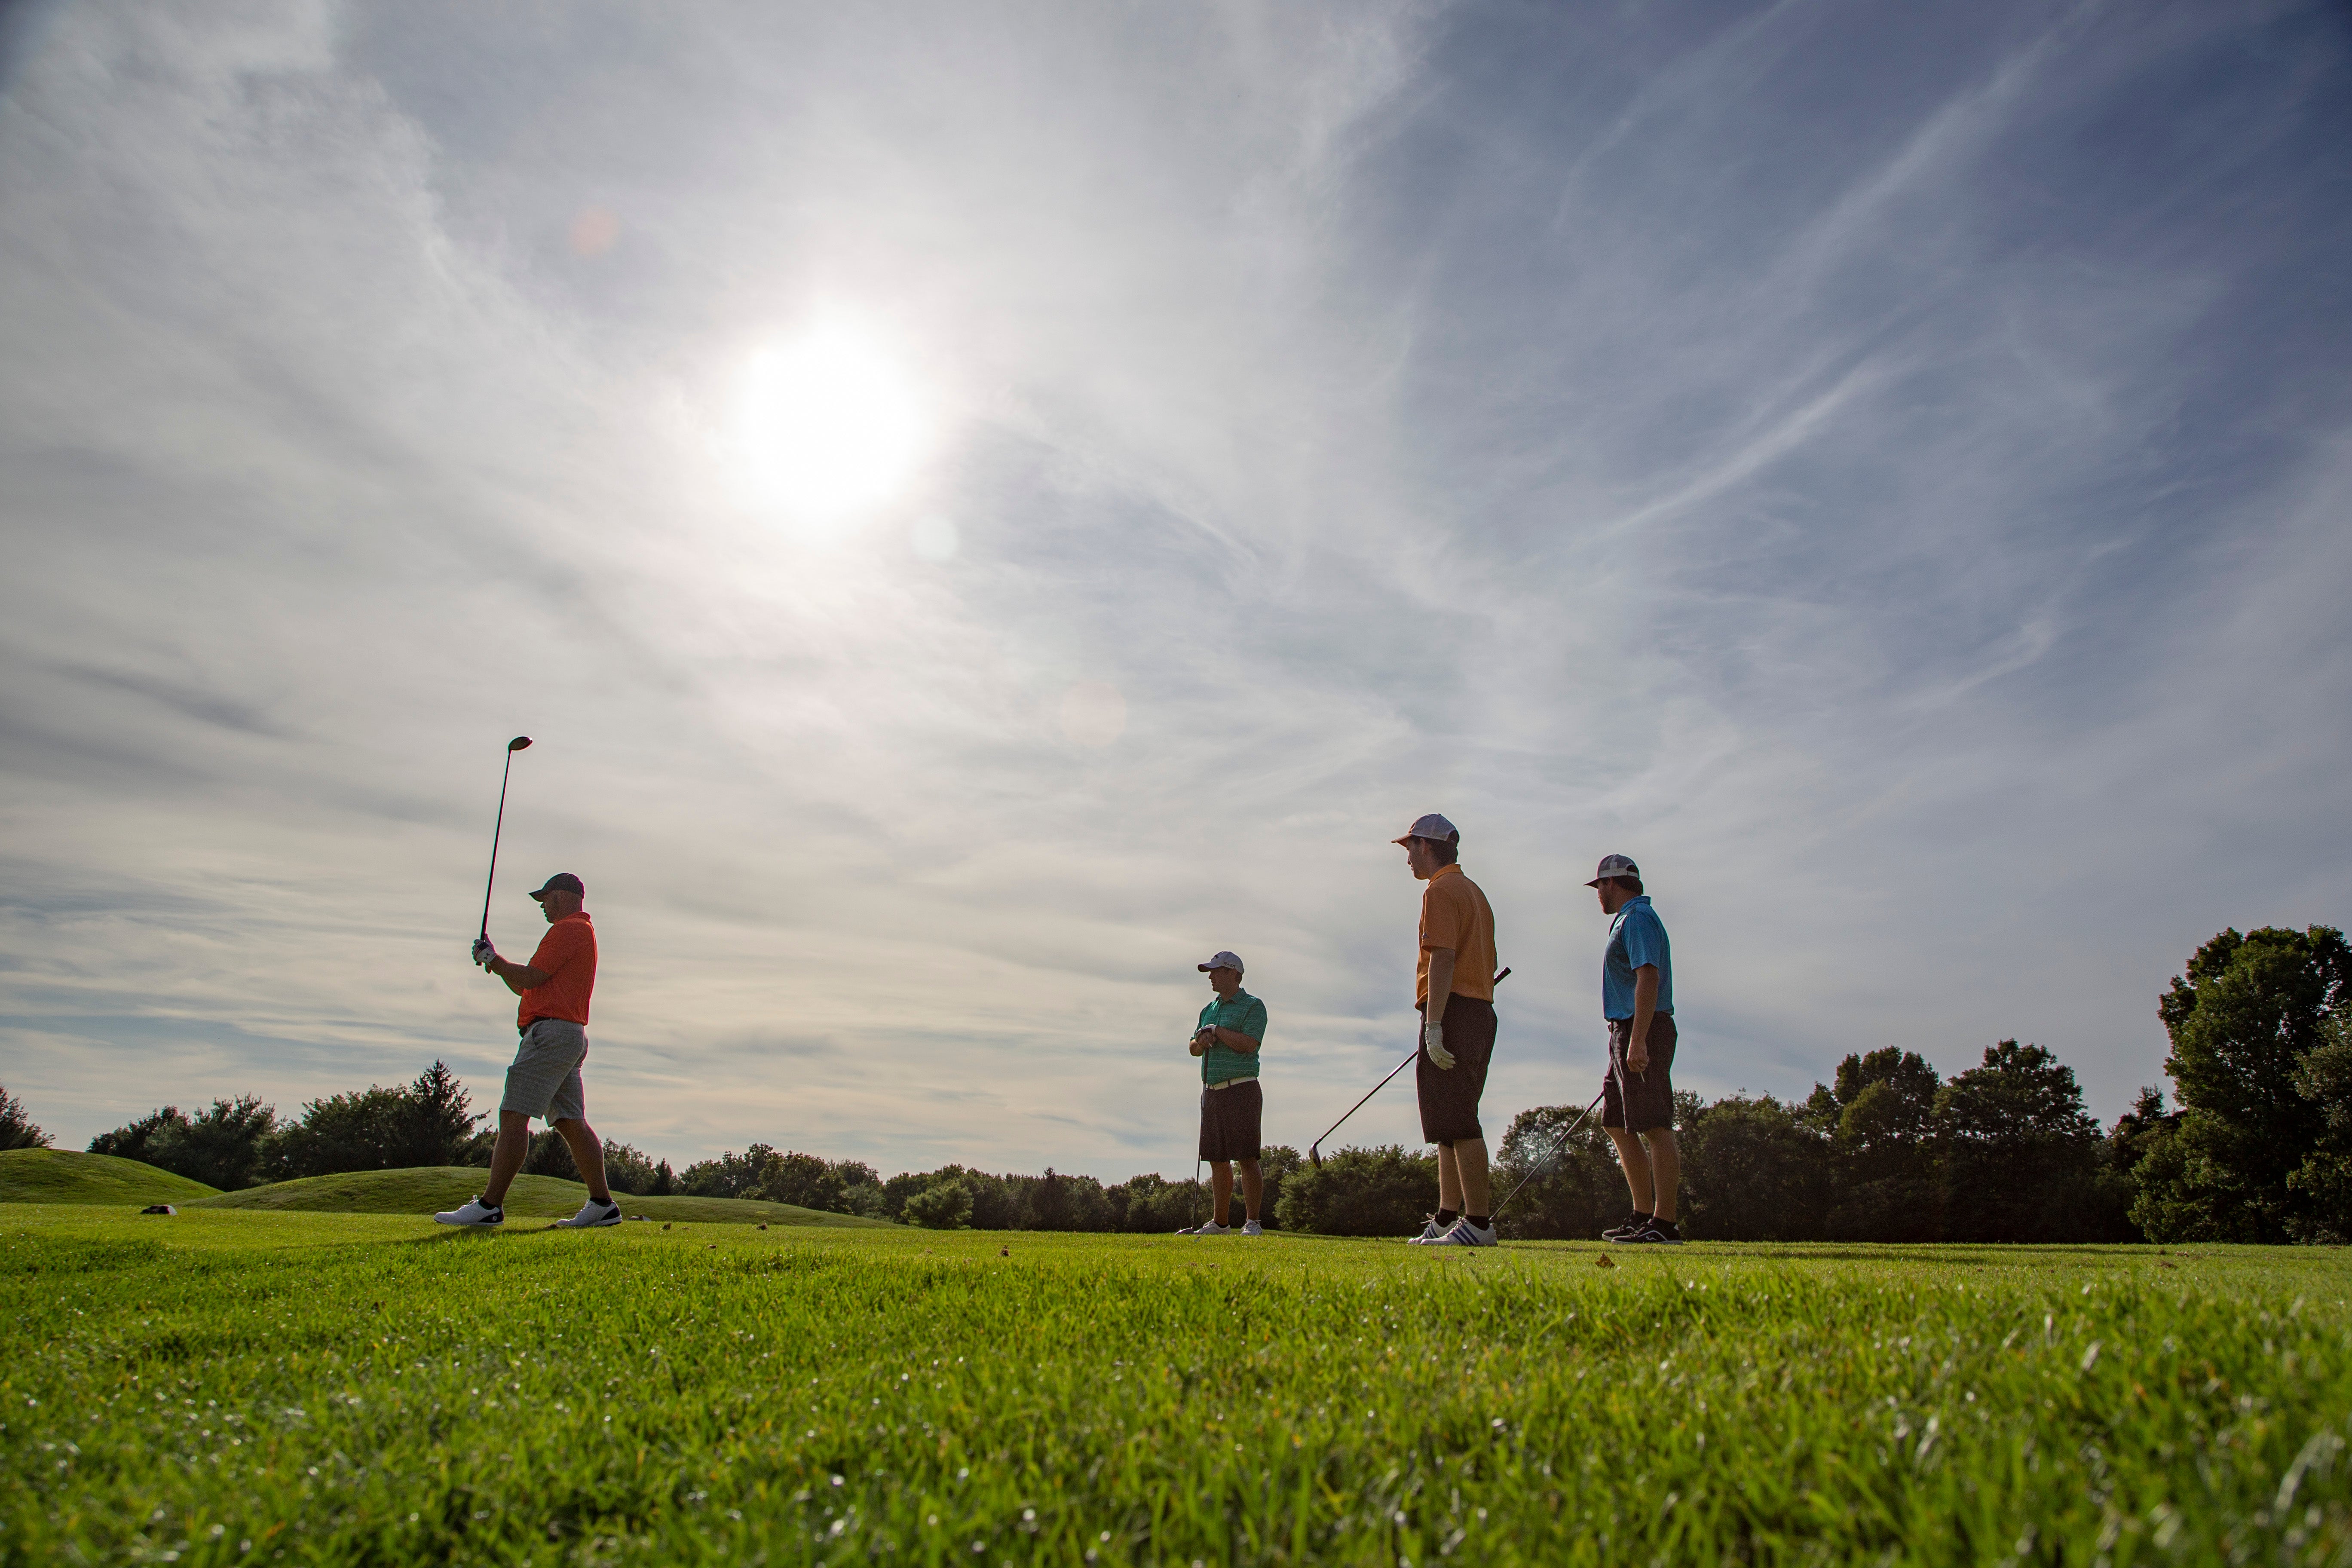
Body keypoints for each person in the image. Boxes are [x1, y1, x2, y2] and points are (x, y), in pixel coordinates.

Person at [436, 873, 620, 1230]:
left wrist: (496, 958)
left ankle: (490, 1206)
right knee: (571, 1122)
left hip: (550, 1034)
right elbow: (526, 988)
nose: (542, 906)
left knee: (514, 1114)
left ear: (563, 897)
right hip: (567, 1034)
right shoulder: (579, 931)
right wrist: (495, 962)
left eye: (545, 898)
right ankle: (603, 1205)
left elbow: (531, 977)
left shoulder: (568, 929)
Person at [1393, 815, 1501, 1247]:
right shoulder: (1474, 891)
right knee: (1446, 1122)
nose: (1408, 859)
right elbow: (1488, 960)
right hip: (1478, 1010)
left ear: (1426, 846)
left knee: (1458, 1120)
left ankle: (1477, 1223)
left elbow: (1442, 958)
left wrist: (1435, 1024)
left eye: (1410, 849)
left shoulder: (1439, 890)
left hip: (1453, 1011)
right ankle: (1447, 1217)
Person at [1589, 854, 1681, 1245]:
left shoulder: (1638, 918)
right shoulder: (1627, 919)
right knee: (1615, 1122)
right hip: (1624, 1030)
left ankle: (1665, 1224)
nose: (1597, 896)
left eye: (1599, 888)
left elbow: (1649, 978)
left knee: (1654, 1126)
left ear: (1612, 884)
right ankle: (1644, 1214)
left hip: (1643, 1028)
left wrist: (1639, 1040)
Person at [1178, 950, 1268, 1236]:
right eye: (1210, 972)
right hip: (1212, 1091)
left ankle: (1252, 1222)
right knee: (1217, 1158)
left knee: (1246, 1157)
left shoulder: (1253, 1006)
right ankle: (1221, 1223)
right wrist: (1203, 1040)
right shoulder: (1208, 1009)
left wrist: (1217, 1031)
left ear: (1234, 974)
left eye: (1216, 972)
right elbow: (1193, 1047)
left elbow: (1249, 1044)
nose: (1211, 977)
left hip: (1242, 1089)